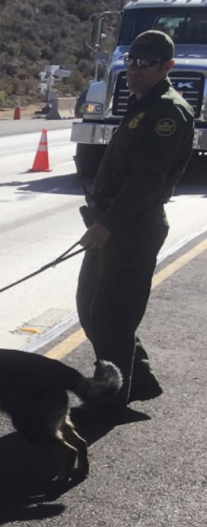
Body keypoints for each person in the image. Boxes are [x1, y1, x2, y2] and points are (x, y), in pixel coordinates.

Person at [76, 29, 193, 416]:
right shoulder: (142, 103)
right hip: (113, 221)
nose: (134, 70)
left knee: (111, 316)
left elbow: (147, 182)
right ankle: (137, 380)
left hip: (133, 227)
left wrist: (106, 224)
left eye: (145, 64)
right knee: (91, 307)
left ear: (166, 66)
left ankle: (109, 402)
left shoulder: (168, 113)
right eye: (131, 62)